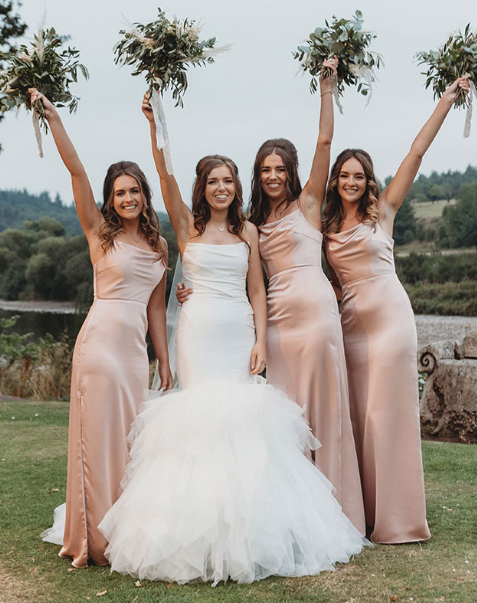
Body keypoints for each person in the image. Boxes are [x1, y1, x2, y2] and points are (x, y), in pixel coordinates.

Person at [96, 94, 367, 585]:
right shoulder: (185, 226)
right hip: (198, 331)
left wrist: (262, 339)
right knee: (199, 422)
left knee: (244, 423)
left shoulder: (250, 230)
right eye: (213, 182)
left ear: (236, 188)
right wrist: (157, 125)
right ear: (203, 188)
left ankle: (250, 533)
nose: (221, 188)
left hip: (238, 328)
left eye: (228, 181)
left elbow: (258, 289)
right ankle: (193, 537)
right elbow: (165, 175)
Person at [175, 58, 365, 532]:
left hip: (315, 315)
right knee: (279, 418)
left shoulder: (308, 206)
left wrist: (327, 86)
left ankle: (337, 512)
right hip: (272, 326)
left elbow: (325, 142)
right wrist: (189, 289)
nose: (273, 176)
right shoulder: (251, 227)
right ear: (256, 177)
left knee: (322, 408)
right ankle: (289, 514)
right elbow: (238, 277)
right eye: (265, 169)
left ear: (292, 172)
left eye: (280, 168)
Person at [322, 77, 471, 544]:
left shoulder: (382, 211)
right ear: (335, 181)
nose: (351, 182)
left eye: (358, 176)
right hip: (349, 326)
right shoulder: (323, 226)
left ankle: (398, 520)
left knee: (389, 416)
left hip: (389, 321)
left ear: (369, 181)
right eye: (344, 176)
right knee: (359, 416)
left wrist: (447, 100)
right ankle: (363, 514)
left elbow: (416, 153)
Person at [32, 88, 172, 568]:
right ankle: (93, 540)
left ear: (144, 196)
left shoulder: (159, 246)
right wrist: (54, 120)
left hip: (134, 354)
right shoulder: (98, 233)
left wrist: (165, 364)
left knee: (130, 443)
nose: (128, 198)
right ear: (110, 200)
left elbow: (157, 312)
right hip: (98, 346)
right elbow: (76, 171)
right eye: (120, 192)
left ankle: (127, 533)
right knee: (96, 441)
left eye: (134, 191)